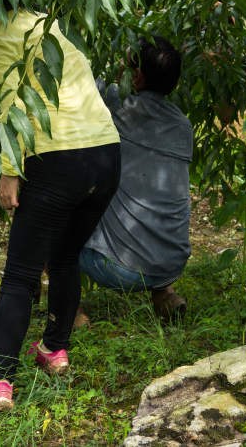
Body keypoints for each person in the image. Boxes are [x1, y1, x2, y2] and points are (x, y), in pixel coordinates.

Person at [0, 0, 121, 413]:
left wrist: (9, 169)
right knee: (65, 257)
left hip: (59, 160)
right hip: (106, 155)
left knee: (19, 274)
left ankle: (0, 382)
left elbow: (12, 106)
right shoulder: (44, 23)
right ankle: (54, 350)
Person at [79, 35, 193, 323]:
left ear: (137, 76)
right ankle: (165, 296)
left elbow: (69, 75)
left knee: (52, 214)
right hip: (172, 264)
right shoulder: (182, 124)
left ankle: (70, 311)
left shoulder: (118, 105)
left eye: (123, 61)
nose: (117, 66)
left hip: (116, 269)